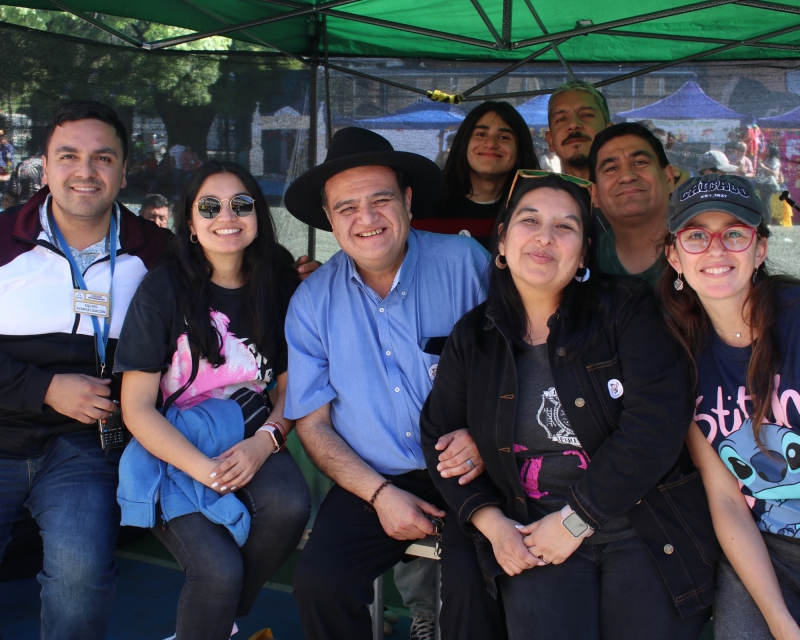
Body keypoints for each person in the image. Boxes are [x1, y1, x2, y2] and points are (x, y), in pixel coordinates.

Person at [420, 171, 718, 640]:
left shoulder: (624, 309)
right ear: (501, 241)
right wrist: (491, 522)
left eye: (565, 227)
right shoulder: (474, 336)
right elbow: (438, 437)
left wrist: (578, 517)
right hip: (533, 533)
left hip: (642, 527)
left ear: (582, 254)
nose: (544, 237)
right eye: (530, 220)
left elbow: (655, 423)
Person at [283, 127, 506, 640]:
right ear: (329, 220)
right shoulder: (311, 301)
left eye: (380, 199)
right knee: (319, 583)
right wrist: (381, 494)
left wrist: (481, 436)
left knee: (476, 589)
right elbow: (313, 426)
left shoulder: (466, 263)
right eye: (346, 208)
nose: (366, 219)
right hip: (372, 474)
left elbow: (515, 365)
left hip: (472, 465)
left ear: (407, 201)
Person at [114, 160, 311, 640]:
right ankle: (214, 613)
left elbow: (290, 387)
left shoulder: (279, 283)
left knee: (289, 504)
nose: (227, 215)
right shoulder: (162, 289)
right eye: (210, 206)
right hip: (174, 442)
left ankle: (212, 621)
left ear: (258, 216)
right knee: (217, 573)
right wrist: (206, 471)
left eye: (241, 204)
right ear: (190, 222)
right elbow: (136, 407)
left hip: (251, 424)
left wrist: (265, 441)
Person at [0, 100, 171, 639]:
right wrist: (45, 388)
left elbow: (224, 303)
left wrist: (287, 279)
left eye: (103, 158)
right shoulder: (1, 240)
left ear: (123, 170)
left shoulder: (160, 253)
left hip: (84, 447)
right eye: (68, 156)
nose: (85, 171)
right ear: (44, 167)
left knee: (81, 578)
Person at [659, 173, 800, 640]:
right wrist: (781, 622)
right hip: (766, 550)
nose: (716, 249)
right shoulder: (681, 357)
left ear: (759, 249)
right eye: (696, 235)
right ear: (674, 256)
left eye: (734, 233)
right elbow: (728, 501)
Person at [412, 101, 538, 250]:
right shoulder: (424, 207)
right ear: (463, 145)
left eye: (504, 137)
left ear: (520, 153)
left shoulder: (534, 213)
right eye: (481, 134)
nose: (491, 143)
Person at [589, 122, 675, 288]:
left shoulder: (704, 249)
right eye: (611, 168)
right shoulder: (584, 261)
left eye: (640, 162)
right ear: (595, 194)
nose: (627, 176)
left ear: (669, 178)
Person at [545, 80, 611, 181]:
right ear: (550, 140)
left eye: (586, 115)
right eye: (561, 119)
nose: (573, 124)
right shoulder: (541, 195)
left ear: (609, 131)